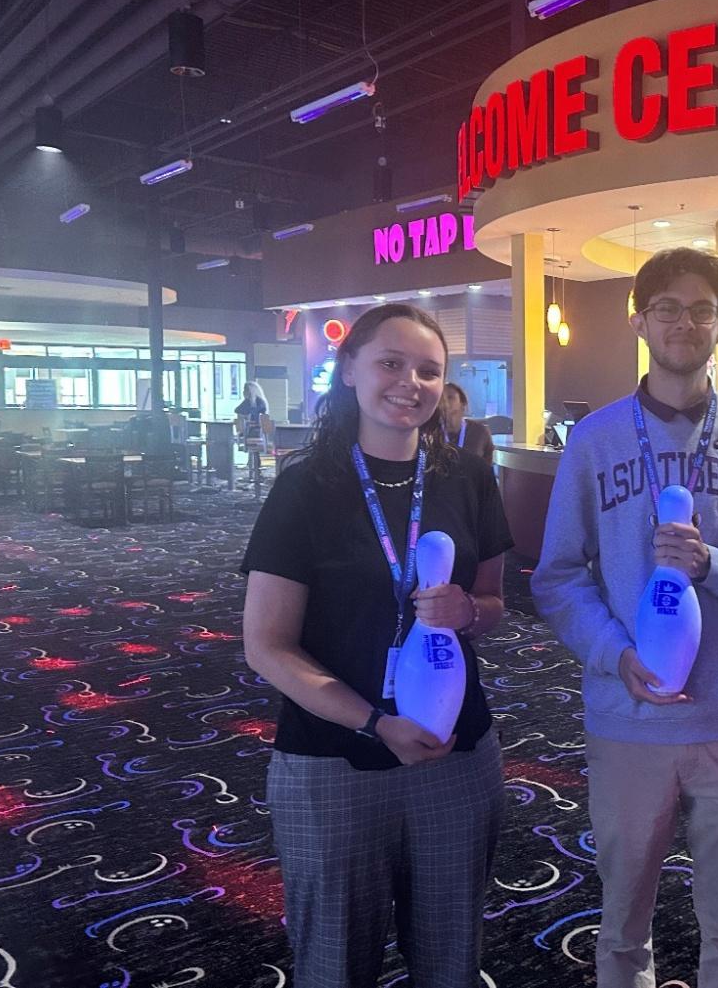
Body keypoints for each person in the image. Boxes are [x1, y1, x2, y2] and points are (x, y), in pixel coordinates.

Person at [531, 247, 718, 988]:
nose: (684, 323)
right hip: (628, 716)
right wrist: (615, 654)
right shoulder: (595, 440)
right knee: (623, 923)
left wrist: (714, 564)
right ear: (640, 320)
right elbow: (558, 576)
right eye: (667, 308)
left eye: (701, 310)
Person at [240, 303, 512, 988]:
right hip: (333, 760)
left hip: (454, 752)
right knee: (335, 964)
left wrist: (467, 611)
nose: (410, 383)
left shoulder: (468, 478)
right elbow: (266, 645)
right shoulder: (306, 485)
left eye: (429, 370)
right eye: (391, 363)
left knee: (451, 961)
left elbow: (494, 603)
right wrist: (373, 722)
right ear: (350, 369)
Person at [441, 381, 495, 465]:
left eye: (450, 397)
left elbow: (488, 467)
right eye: (441, 399)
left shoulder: (480, 432)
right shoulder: (431, 432)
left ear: (462, 403)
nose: (444, 402)